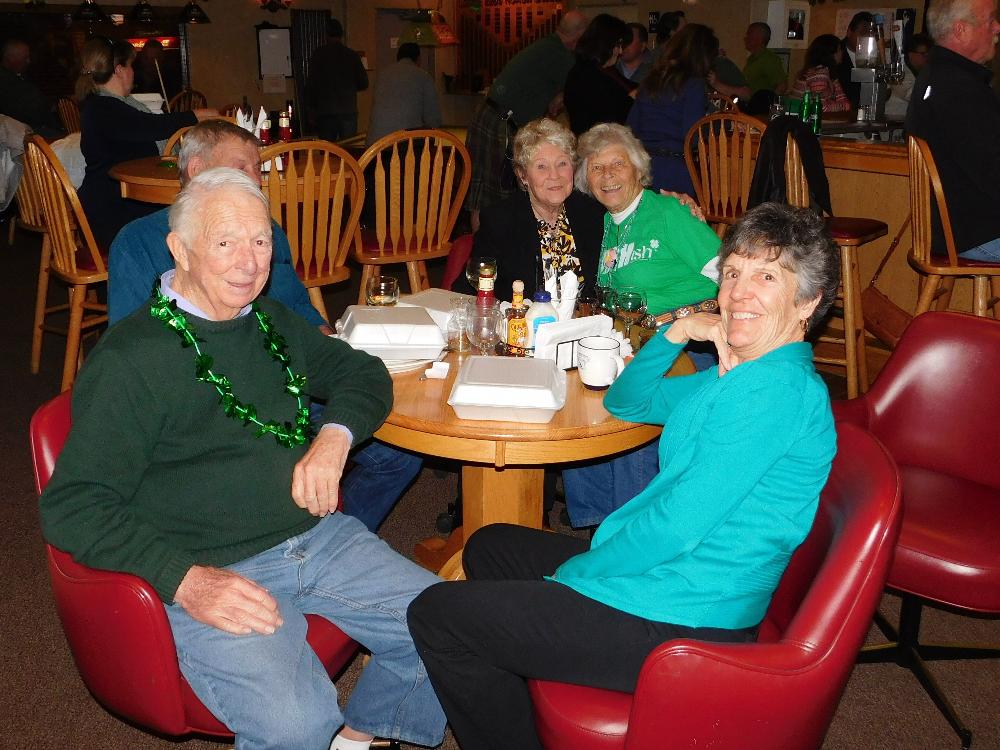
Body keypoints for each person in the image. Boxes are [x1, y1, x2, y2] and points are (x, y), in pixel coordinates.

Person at [407, 201, 840, 750]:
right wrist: (680, 330)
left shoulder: (775, 393)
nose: (738, 293)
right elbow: (627, 401)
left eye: (766, 277)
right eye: (732, 273)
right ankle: (522, 680)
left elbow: (676, 527)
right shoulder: (741, 375)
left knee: (437, 616)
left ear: (808, 302)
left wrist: (578, 576)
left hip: (687, 614)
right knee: (488, 545)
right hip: (666, 577)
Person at [40, 167, 446, 750]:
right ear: (180, 249)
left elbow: (362, 372)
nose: (249, 262)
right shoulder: (131, 360)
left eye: (260, 240)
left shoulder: (269, 321)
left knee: (451, 625)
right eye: (225, 242)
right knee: (295, 723)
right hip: (213, 564)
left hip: (318, 539)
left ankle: (359, 738)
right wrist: (185, 581)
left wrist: (333, 439)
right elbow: (73, 507)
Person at [109, 119, 423, 534]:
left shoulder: (268, 231)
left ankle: (329, 534)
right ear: (197, 170)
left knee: (400, 453)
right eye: (243, 167)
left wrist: (331, 354)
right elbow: (132, 351)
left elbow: (299, 310)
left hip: (288, 380)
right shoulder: (139, 242)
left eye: (258, 169)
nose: (258, 179)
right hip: (208, 404)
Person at [561, 122, 722, 529]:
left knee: (632, 414)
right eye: (597, 168)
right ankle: (599, 523)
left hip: (686, 346)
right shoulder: (605, 224)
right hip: (633, 345)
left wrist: (723, 331)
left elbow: (730, 274)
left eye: (617, 164)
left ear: (638, 169)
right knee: (579, 396)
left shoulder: (668, 212)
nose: (608, 175)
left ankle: (634, 527)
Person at [76, 37, 215, 250]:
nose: (133, 72)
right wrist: (196, 115)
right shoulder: (104, 108)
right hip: (114, 213)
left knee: (193, 210)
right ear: (119, 70)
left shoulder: (103, 105)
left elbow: (144, 126)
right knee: (195, 216)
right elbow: (152, 126)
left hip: (116, 201)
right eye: (130, 66)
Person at [464, 9, 588, 231]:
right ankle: (488, 247)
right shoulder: (561, 57)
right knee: (497, 195)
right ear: (580, 35)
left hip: (489, 115)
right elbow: (577, 93)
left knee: (483, 194)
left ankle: (481, 248)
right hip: (503, 123)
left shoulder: (546, 46)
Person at [461, 118, 605, 301]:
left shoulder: (592, 213)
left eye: (562, 163)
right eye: (541, 166)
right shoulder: (500, 220)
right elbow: (471, 288)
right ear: (523, 176)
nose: (554, 175)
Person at [906, 0, 1000, 262]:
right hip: (978, 234)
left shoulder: (934, 76)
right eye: (990, 20)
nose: (997, 27)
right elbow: (992, 171)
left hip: (951, 232)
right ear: (961, 30)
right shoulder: (960, 89)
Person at [626, 24, 717, 195]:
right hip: (673, 168)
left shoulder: (652, 79)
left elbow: (631, 127)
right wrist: (718, 125)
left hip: (641, 165)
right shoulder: (693, 84)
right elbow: (691, 136)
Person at [563, 14, 634, 136]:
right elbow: (609, 113)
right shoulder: (585, 75)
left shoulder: (605, 70)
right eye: (618, 45)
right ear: (606, 44)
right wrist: (632, 98)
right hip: (596, 142)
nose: (620, 51)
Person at [365, 42, 442, 146]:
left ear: (398, 57)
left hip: (374, 145)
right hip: (405, 145)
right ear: (418, 59)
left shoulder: (382, 75)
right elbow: (433, 119)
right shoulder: (423, 76)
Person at [307, 18, 369, 142]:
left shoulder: (318, 55)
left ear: (326, 34)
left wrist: (311, 110)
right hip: (347, 110)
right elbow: (364, 83)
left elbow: (311, 86)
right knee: (347, 148)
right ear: (342, 34)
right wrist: (349, 86)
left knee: (327, 150)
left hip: (325, 111)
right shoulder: (352, 55)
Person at [0, 38, 64, 139]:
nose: (28, 61)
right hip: (26, 132)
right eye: (25, 58)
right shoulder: (6, 82)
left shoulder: (20, 76)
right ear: (11, 58)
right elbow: (24, 110)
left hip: (34, 127)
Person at [790, 34, 852, 114]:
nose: (842, 52)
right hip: (800, 119)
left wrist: (838, 104)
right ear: (831, 54)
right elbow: (820, 107)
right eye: (840, 49)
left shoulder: (829, 73)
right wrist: (842, 105)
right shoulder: (818, 74)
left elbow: (844, 101)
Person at [885, 32, 933, 119]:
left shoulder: (925, 72)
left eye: (929, 55)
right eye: (923, 54)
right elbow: (914, 95)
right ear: (911, 54)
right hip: (894, 121)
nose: (927, 58)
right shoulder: (899, 72)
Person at [834, 12, 875, 109]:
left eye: (870, 35)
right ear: (849, 32)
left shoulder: (872, 56)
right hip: (839, 111)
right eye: (862, 33)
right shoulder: (835, 52)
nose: (866, 39)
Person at [741, 22, 788, 97]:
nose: (745, 38)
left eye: (749, 35)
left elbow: (782, 86)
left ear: (760, 38)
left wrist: (768, 102)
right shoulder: (752, 58)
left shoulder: (769, 59)